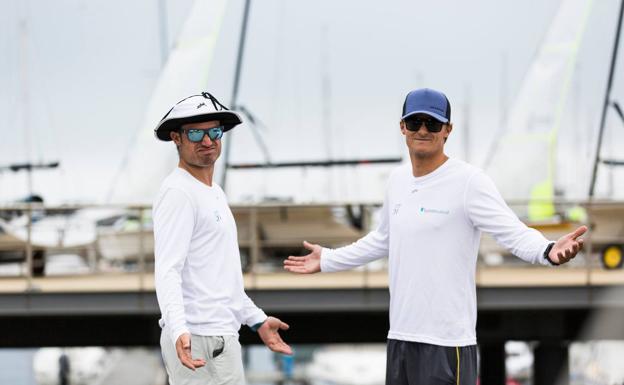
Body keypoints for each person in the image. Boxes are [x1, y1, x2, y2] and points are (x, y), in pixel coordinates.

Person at [284, 88, 586, 385]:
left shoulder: (469, 182)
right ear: (403, 127)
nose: (423, 130)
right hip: (401, 339)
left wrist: (547, 250)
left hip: (447, 344)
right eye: (415, 123)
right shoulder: (397, 180)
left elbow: (512, 232)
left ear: (447, 130)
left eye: (433, 123)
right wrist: (328, 259)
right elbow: (383, 239)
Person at [153, 92, 292, 385]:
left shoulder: (214, 192)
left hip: (224, 337)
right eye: (195, 133)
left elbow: (222, 279)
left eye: (214, 132)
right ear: (176, 138)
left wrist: (258, 320)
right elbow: (168, 270)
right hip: (197, 339)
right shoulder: (178, 192)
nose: (207, 141)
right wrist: (179, 330)